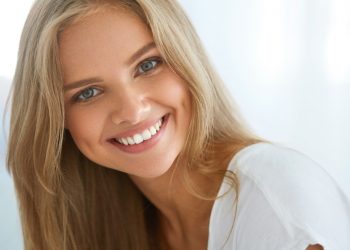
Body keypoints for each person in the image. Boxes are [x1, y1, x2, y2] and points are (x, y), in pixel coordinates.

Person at [6, 0, 349, 249]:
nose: (132, 111)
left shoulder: (275, 199)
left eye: (147, 65)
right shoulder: (105, 223)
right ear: (56, 119)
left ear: (186, 59)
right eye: (89, 92)